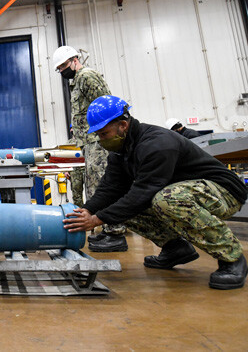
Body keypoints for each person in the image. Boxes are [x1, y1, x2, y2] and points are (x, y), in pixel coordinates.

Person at [63, 95, 248, 290]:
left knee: (167, 199)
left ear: (123, 125)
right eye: (98, 135)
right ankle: (175, 249)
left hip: (223, 191)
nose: (102, 140)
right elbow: (110, 188)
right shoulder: (121, 150)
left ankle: (232, 258)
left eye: (104, 133)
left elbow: (143, 192)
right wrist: (87, 211)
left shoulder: (156, 143)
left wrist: (97, 219)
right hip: (188, 191)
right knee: (120, 207)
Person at [52, 45, 127, 252]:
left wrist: (109, 138)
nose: (62, 71)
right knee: (94, 187)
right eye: (59, 69)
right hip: (87, 141)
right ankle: (108, 228)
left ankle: (116, 232)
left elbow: (106, 104)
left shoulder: (87, 76)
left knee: (102, 185)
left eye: (64, 66)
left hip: (98, 140)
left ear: (75, 60)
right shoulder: (76, 83)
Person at [67, 125, 85, 207]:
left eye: (73, 128)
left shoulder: (85, 141)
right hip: (74, 170)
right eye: (71, 128)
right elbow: (65, 158)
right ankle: (80, 213)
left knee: (92, 192)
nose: (72, 130)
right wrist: (66, 170)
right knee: (76, 195)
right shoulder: (69, 143)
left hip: (86, 169)